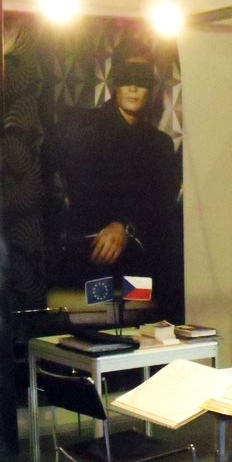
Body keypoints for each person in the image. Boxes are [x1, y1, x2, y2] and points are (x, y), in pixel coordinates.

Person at [43, 49, 181, 296]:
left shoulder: (159, 144)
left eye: (141, 79)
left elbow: (163, 201)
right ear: (115, 82)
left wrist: (126, 226)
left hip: (139, 259)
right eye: (126, 78)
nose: (133, 88)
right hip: (89, 257)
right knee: (96, 312)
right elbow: (44, 176)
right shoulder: (80, 127)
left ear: (151, 87)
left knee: (138, 312)